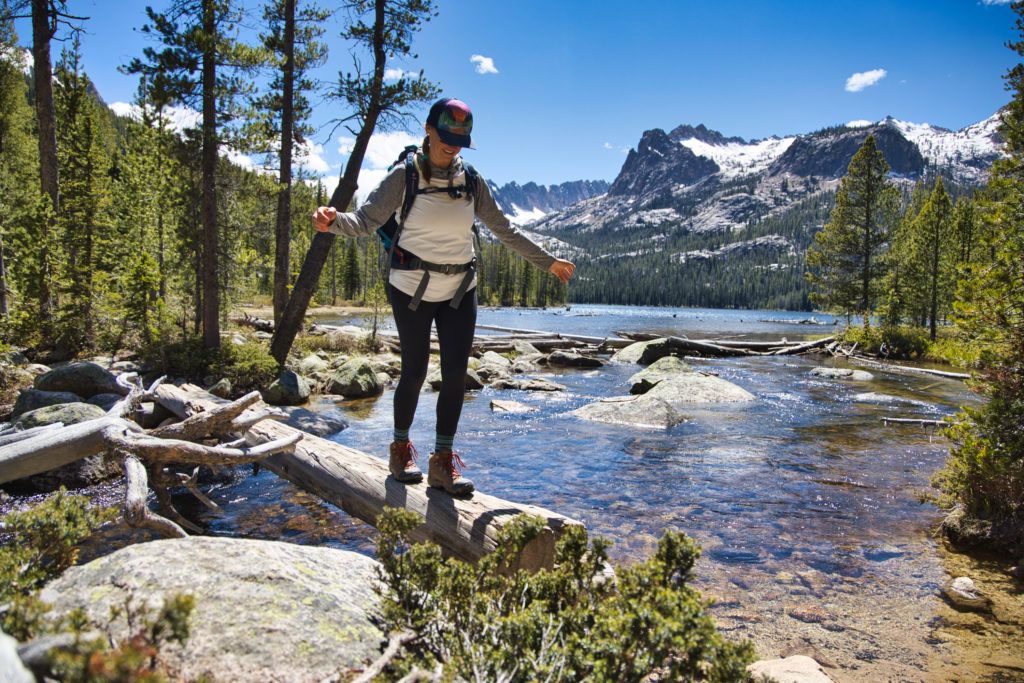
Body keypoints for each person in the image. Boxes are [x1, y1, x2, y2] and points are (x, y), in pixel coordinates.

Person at [313, 97, 575, 497]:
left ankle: (441, 464)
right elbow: (365, 221)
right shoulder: (404, 177)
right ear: (428, 130)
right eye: (447, 137)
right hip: (410, 290)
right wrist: (333, 221)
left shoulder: (471, 181)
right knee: (415, 371)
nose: (453, 145)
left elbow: (504, 230)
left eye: (460, 139)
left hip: (459, 290)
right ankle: (400, 451)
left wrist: (547, 263)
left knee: (455, 377)